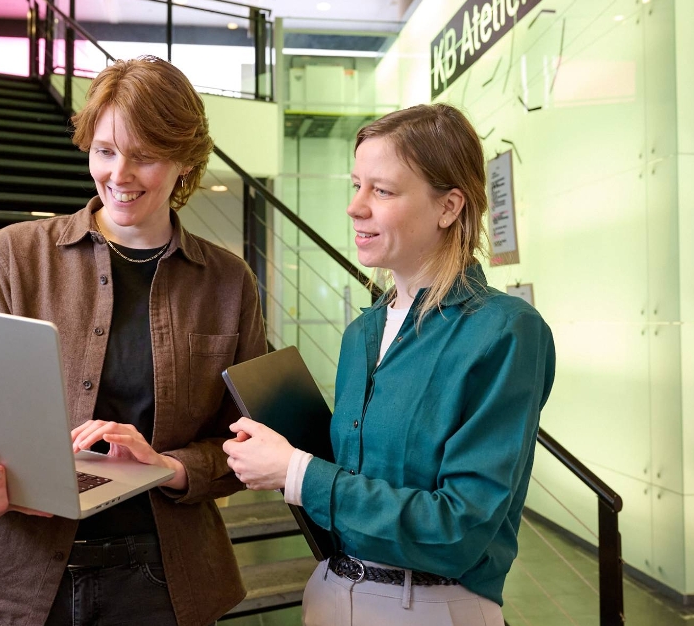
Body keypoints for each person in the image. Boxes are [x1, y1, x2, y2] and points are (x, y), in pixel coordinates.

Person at [0, 56, 267, 626]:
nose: (118, 174)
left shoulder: (229, 282)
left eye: (144, 156)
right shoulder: (17, 255)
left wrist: (166, 465)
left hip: (160, 585)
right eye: (105, 151)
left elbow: (248, 444)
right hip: (10, 576)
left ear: (185, 160)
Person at [223, 103, 556, 625]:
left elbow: (458, 530)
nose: (355, 207)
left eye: (382, 191)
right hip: (331, 590)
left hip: (427, 605)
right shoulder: (363, 333)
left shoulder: (505, 331)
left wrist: (296, 472)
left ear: (448, 207)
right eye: (356, 185)